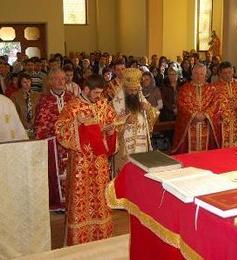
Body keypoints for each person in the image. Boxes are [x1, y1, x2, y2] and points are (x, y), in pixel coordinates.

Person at [55, 74, 117, 246]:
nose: (99, 97)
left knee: (100, 197)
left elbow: (112, 122)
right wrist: (78, 125)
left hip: (100, 163)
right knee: (81, 198)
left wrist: (111, 131)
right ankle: (79, 238)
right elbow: (60, 130)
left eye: (100, 93)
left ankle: (101, 236)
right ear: (86, 89)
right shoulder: (73, 106)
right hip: (81, 164)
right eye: (96, 93)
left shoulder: (103, 104)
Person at [35, 68, 73, 210]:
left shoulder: (71, 98)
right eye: (56, 79)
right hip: (53, 145)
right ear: (50, 81)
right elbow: (40, 124)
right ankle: (58, 204)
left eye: (63, 78)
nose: (60, 81)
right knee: (55, 173)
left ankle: (72, 201)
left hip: (70, 144)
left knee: (71, 172)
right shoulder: (44, 100)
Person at [112, 68, 159, 173]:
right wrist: (124, 121)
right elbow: (111, 123)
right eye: (130, 90)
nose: (133, 93)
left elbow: (154, 115)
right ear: (124, 89)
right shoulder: (116, 103)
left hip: (141, 146)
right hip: (124, 150)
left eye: (135, 90)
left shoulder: (140, 98)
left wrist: (149, 109)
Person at [172, 63, 221, 154]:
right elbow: (182, 105)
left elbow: (215, 104)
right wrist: (193, 115)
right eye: (196, 74)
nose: (199, 76)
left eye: (201, 74)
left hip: (206, 125)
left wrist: (205, 115)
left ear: (205, 75)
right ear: (192, 74)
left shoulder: (211, 89)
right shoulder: (185, 89)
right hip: (189, 126)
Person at [10, 73, 40, 139]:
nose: (27, 84)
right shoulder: (14, 96)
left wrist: (34, 122)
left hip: (35, 126)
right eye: (24, 82)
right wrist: (23, 123)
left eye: (29, 81)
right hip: (20, 126)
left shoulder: (37, 95)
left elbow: (39, 110)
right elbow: (14, 113)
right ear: (20, 83)